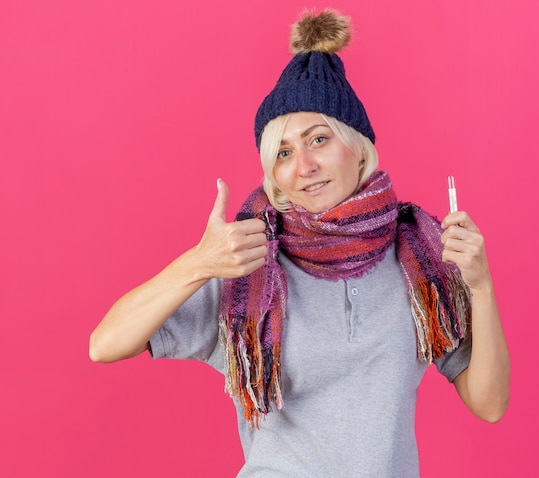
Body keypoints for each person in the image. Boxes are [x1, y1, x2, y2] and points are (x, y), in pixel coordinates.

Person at [90, 9, 510, 477]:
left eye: (319, 140)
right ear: (274, 174)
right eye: (284, 153)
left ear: (359, 149)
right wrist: (197, 265)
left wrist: (482, 286)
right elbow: (105, 344)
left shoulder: (420, 260)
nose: (303, 165)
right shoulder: (248, 264)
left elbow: (489, 403)